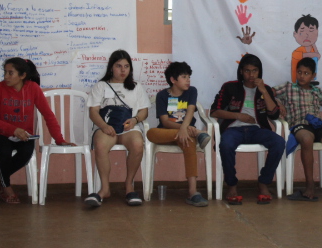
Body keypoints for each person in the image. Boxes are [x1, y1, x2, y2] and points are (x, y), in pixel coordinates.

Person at [0, 57, 73, 204]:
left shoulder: (33, 88)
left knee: (26, 153)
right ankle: (6, 188)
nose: (6, 76)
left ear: (22, 75)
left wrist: (59, 139)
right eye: (5, 72)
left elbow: (48, 115)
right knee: (3, 152)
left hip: (24, 136)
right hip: (1, 134)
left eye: (10, 73)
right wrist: (13, 129)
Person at [210, 54, 285, 205]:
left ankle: (263, 183)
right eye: (247, 71)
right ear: (241, 71)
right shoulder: (230, 87)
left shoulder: (265, 89)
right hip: (233, 129)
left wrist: (264, 91)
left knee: (279, 142)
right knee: (225, 144)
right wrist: (238, 116)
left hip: (258, 130)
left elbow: (274, 114)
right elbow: (214, 112)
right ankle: (232, 185)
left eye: (255, 71)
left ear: (259, 72)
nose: (251, 75)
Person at [275, 58, 322, 201]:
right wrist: (277, 102)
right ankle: (310, 185)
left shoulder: (317, 92)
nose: (302, 76)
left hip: (318, 125)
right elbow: (267, 93)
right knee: (307, 139)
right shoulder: (288, 87)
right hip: (299, 124)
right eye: (299, 72)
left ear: (313, 76)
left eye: (306, 73)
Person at [85, 50, 149, 207]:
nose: (123, 70)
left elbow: (144, 111)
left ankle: (129, 186)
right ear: (111, 67)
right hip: (107, 128)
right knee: (100, 145)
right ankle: (105, 189)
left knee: (137, 144)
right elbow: (93, 112)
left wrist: (135, 120)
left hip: (129, 128)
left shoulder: (136, 87)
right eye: (119, 66)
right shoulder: (100, 86)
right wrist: (104, 126)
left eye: (126, 66)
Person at [146, 61, 209, 207]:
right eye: (184, 77)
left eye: (189, 77)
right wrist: (184, 130)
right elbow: (165, 121)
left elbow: (191, 111)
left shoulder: (191, 91)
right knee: (151, 133)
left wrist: (184, 130)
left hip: (185, 135)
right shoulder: (162, 95)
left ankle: (193, 192)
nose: (188, 80)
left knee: (189, 142)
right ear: (173, 80)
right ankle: (197, 133)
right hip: (167, 133)